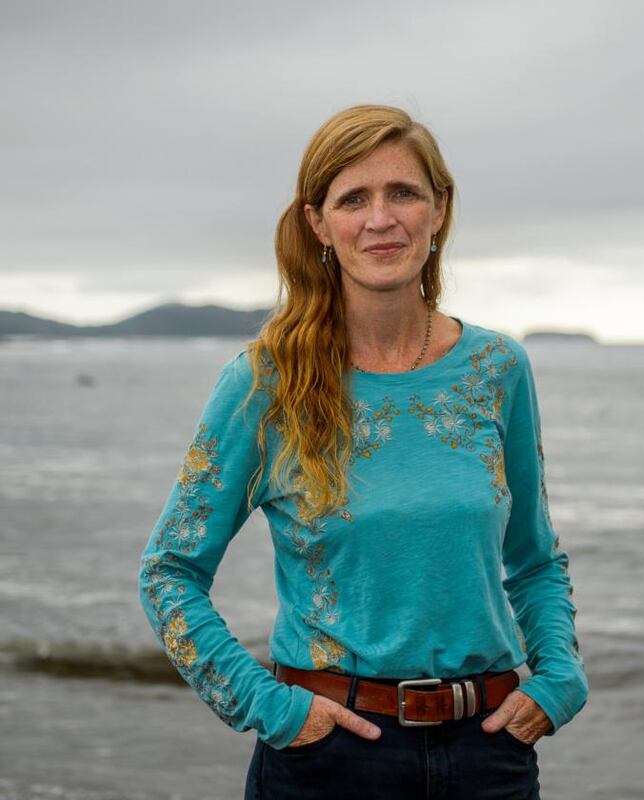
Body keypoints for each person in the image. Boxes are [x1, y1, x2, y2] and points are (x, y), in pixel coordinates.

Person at [138, 103, 588, 800]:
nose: (382, 219)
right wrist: (272, 710)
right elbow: (169, 572)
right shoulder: (266, 383)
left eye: (403, 192)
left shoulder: (497, 369)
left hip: (489, 755)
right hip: (329, 759)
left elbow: (532, 559)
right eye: (354, 199)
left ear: (439, 210)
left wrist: (560, 679)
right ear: (319, 223)